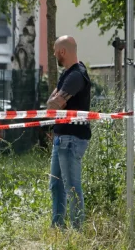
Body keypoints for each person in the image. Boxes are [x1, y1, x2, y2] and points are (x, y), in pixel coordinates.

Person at [46, 35, 91, 229]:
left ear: (62, 51)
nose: (54, 54)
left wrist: (55, 101)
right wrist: (53, 102)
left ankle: (77, 231)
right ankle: (58, 228)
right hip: (61, 138)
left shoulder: (76, 75)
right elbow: (51, 104)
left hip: (71, 139)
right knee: (56, 186)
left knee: (72, 187)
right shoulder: (67, 74)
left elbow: (55, 103)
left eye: (55, 50)